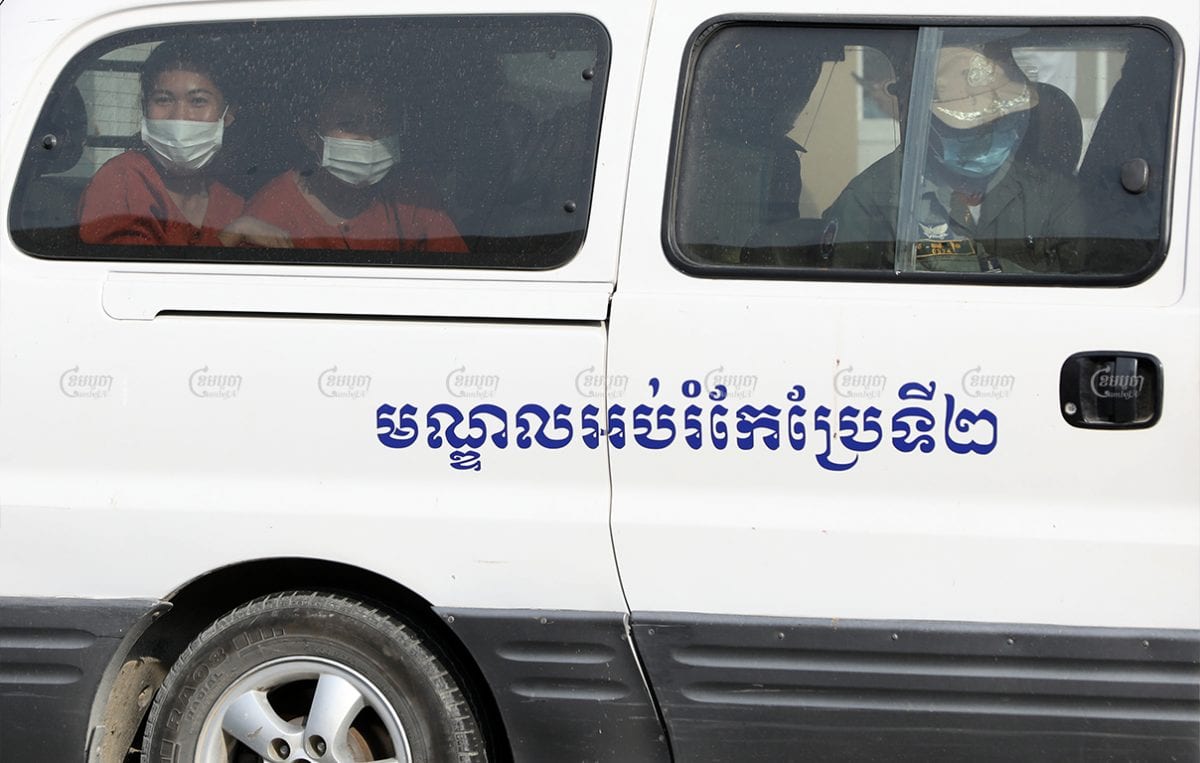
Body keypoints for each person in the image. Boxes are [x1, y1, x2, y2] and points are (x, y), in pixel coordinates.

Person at [822, 43, 1086, 273]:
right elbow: (841, 301)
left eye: (998, 121)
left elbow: (1087, 295)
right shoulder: (873, 197)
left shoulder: (1052, 196)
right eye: (971, 128)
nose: (986, 136)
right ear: (928, 123)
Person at [226, 79, 467, 252]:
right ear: (310, 136)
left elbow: (457, 280)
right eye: (349, 124)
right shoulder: (272, 209)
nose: (368, 136)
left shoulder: (411, 197)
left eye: (380, 121)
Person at [78, 38, 243, 246]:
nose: (179, 116)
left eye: (198, 101)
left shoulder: (230, 205)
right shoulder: (121, 180)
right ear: (145, 108)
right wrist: (229, 238)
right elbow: (128, 265)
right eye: (163, 100)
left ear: (228, 114)